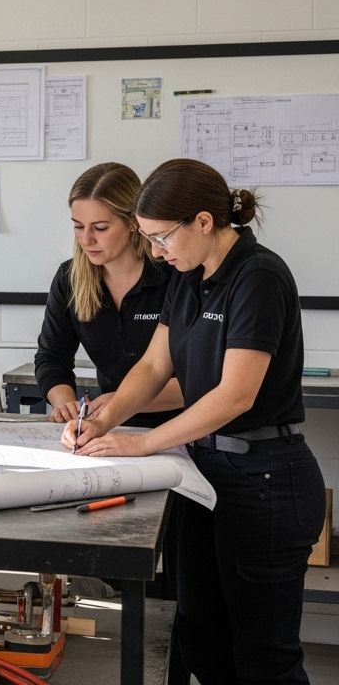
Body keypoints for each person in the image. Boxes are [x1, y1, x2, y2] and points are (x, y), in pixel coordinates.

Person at [68, 159, 323, 684]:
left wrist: (143, 445)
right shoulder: (189, 276)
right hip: (206, 474)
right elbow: (154, 366)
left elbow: (233, 395)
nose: (157, 252)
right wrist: (104, 418)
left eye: (162, 238)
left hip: (265, 480)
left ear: (203, 222)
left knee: (264, 657)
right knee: (201, 637)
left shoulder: (259, 276)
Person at [36, 162, 184, 425]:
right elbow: (52, 358)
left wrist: (121, 401)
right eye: (78, 226)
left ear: (133, 223)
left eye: (100, 228)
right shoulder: (69, 278)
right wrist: (64, 404)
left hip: (183, 430)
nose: (86, 240)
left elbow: (202, 382)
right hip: (111, 426)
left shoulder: (176, 273)